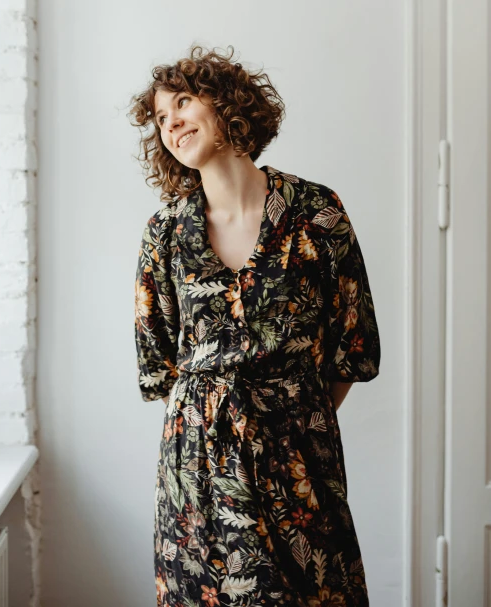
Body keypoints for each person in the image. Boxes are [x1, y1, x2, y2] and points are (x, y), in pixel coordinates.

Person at [128, 44, 381, 607]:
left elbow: (352, 344)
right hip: (195, 469)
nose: (170, 123)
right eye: (160, 117)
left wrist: (285, 419)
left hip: (299, 461)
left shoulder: (318, 212)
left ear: (227, 105)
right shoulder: (164, 233)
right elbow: (160, 362)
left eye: (184, 102)